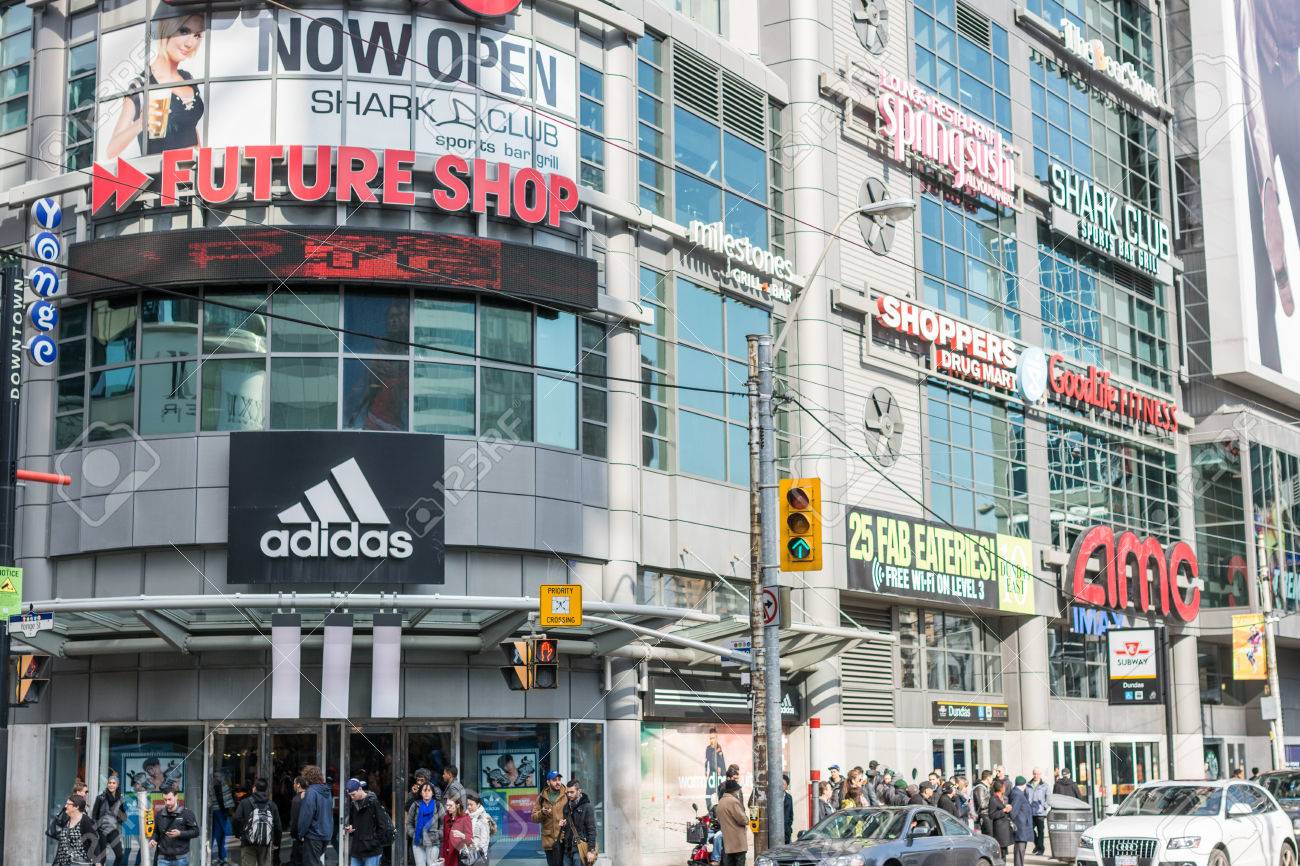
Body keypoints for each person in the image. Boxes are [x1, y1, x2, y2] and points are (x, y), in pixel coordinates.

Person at [105, 13, 206, 160]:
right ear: (167, 30)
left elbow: (191, 129)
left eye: (197, 35)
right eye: (184, 31)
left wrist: (202, 162)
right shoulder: (141, 84)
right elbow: (111, 151)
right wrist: (140, 123)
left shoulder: (188, 78)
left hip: (192, 174)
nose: (190, 43)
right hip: (161, 175)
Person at [234, 778, 282, 866]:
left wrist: (239, 835)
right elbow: (278, 826)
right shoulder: (272, 805)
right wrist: (276, 843)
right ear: (266, 789)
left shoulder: (245, 803)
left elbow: (237, 818)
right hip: (265, 843)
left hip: (248, 842)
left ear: (254, 788)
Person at [344, 778, 392, 866]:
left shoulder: (373, 803)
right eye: (350, 795)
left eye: (353, 794)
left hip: (372, 850)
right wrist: (350, 828)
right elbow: (352, 823)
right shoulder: (353, 805)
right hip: (357, 849)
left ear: (360, 789)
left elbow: (383, 826)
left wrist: (373, 842)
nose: (352, 797)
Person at [151, 785, 199, 866]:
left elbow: (196, 832)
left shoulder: (187, 813)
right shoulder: (159, 814)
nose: (167, 803)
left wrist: (180, 833)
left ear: (176, 797)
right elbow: (156, 832)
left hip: (181, 858)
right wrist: (153, 839)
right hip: (162, 858)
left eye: (170, 799)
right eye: (165, 800)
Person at [297, 766, 333, 866]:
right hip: (325, 834)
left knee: (312, 862)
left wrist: (301, 833)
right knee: (315, 861)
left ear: (308, 778)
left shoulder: (311, 792)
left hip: (314, 834)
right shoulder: (327, 791)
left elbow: (306, 816)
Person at [50, 793, 98, 866]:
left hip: (78, 863)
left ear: (76, 807)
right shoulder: (67, 819)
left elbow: (94, 841)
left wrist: (97, 862)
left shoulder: (85, 821)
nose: (65, 806)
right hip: (62, 861)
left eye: (68, 804)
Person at [532, 771, 567, 866]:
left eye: (559, 779)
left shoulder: (566, 794)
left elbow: (573, 814)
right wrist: (542, 813)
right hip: (550, 842)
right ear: (548, 782)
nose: (558, 782)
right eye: (554, 780)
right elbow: (534, 818)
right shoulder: (542, 797)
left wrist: (566, 821)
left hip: (564, 839)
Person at [92, 773, 128, 866]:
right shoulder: (100, 798)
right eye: (109, 783)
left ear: (117, 785)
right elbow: (94, 815)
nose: (111, 785)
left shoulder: (120, 799)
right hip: (101, 831)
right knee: (102, 858)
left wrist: (121, 818)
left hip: (113, 830)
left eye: (113, 783)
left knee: (120, 855)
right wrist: (95, 830)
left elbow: (123, 816)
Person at [561, 779, 597, 866]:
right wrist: (563, 825)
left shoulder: (587, 807)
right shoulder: (566, 807)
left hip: (579, 848)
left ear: (579, 791)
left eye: (572, 792)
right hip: (567, 849)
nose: (569, 795)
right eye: (567, 792)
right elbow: (568, 828)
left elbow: (591, 830)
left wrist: (591, 850)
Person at [405, 781, 442, 866]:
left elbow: (443, 823)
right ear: (421, 793)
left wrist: (438, 834)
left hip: (433, 841)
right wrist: (413, 834)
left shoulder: (438, 805)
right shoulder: (415, 805)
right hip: (418, 841)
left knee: (431, 864)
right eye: (424, 790)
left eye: (429, 790)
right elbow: (409, 823)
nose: (426, 793)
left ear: (432, 793)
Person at [714, 779, 748, 866]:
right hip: (738, 844)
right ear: (733, 790)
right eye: (737, 790)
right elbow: (743, 820)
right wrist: (747, 819)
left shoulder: (720, 803)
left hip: (727, 844)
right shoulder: (733, 801)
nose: (738, 791)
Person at [211, 771, 237, 866]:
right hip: (221, 811)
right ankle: (223, 857)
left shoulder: (216, 785)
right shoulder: (219, 785)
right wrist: (228, 811)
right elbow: (223, 800)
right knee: (226, 833)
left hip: (217, 810)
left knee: (218, 833)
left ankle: (221, 857)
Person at [439, 797, 473, 866]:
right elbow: (445, 839)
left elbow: (470, 839)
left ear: (457, 805)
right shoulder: (446, 818)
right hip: (448, 856)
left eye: (450, 805)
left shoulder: (465, 818)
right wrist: (442, 856)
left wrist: (461, 835)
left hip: (459, 856)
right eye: (447, 805)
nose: (447, 808)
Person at [1009, 776, 1034, 866]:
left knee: (1020, 851)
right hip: (1020, 827)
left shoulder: (1017, 793)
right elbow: (1013, 812)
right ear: (1023, 785)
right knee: (1020, 850)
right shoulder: (1018, 794)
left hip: (1022, 826)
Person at [1027, 768, 1049, 856]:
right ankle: (1037, 845)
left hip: (1040, 812)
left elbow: (1049, 798)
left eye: (1038, 774)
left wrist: (1045, 806)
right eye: (1034, 774)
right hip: (1031, 812)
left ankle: (1041, 849)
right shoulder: (1028, 785)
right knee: (1030, 830)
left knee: (1040, 831)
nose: (1036, 776)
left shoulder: (1045, 785)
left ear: (1040, 774)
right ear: (1033, 774)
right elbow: (1025, 797)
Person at [466, 792, 493, 866]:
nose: (469, 807)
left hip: (479, 855)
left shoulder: (483, 817)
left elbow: (484, 840)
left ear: (478, 805)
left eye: (471, 804)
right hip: (469, 853)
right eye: (467, 804)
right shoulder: (466, 816)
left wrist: (482, 856)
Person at [286, 776, 307, 866]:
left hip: (299, 835)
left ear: (298, 785)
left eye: (294, 783)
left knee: (297, 860)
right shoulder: (310, 797)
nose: (293, 785)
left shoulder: (296, 800)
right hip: (310, 834)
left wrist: (293, 833)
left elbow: (295, 819)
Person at [989, 780, 1012, 859]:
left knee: (1004, 852)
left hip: (1004, 829)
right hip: (999, 830)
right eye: (1004, 786)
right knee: (1001, 852)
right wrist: (1004, 810)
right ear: (1001, 788)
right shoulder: (993, 799)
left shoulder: (1001, 797)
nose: (1005, 788)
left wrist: (1007, 807)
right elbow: (991, 815)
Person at [706, 732, 727, 810]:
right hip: (712, 774)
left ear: (716, 738)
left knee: (719, 792)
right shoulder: (709, 748)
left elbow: (722, 761)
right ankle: (711, 810)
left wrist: (720, 769)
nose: (711, 740)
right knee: (710, 793)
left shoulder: (719, 747)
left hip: (720, 775)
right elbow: (707, 759)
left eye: (713, 738)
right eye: (710, 738)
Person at [973, 770, 993, 835]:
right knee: (988, 835)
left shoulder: (985, 787)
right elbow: (982, 804)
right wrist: (993, 802)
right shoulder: (980, 788)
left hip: (988, 815)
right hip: (984, 815)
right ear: (988, 778)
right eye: (991, 777)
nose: (992, 779)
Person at [781, 775, 794, 845]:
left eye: (783, 784)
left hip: (786, 831)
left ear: (787, 786)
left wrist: (788, 827)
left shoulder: (789, 797)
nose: (781, 786)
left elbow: (791, 815)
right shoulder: (773, 796)